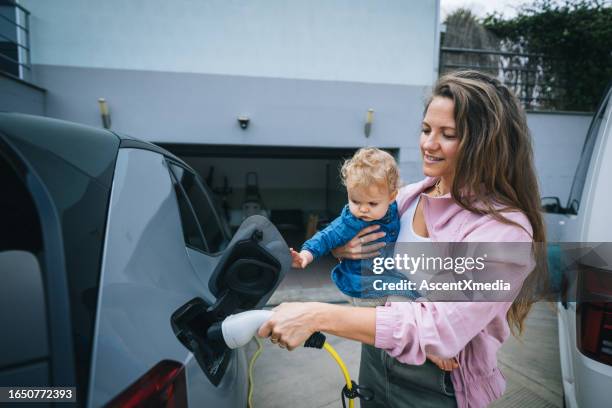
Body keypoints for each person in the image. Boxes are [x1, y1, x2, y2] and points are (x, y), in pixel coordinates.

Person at [258, 70, 547, 408]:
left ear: (485, 144)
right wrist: (343, 250)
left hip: (438, 384)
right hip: (375, 356)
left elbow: (438, 327)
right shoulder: (406, 198)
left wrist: (316, 315)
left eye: (447, 134)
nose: (428, 143)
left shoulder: (506, 230)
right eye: (426, 130)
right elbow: (352, 225)